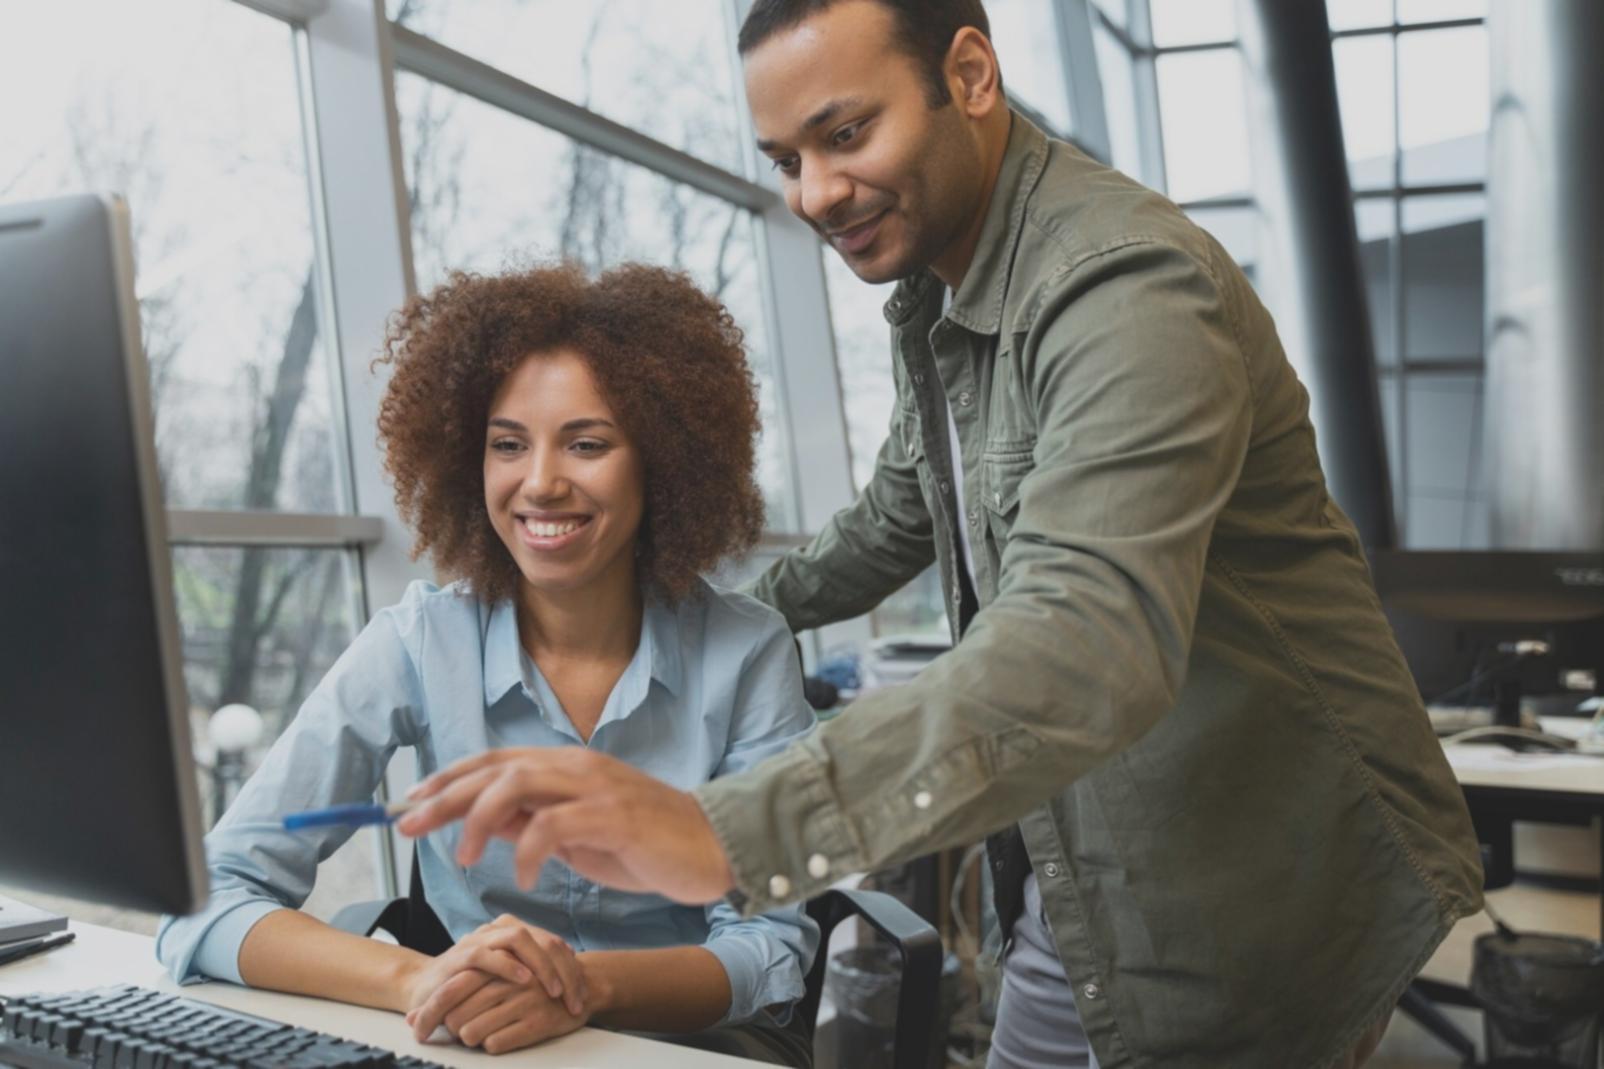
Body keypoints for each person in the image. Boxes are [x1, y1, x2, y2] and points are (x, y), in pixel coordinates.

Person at [397, 3, 1486, 1067]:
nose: (815, 193)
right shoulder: (938, 294)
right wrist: (674, 622)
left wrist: (722, 832)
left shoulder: (1123, 287)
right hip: (1091, 857)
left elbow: (1087, 639)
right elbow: (894, 517)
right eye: (784, 159)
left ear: (968, 76)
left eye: (845, 133)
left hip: (1249, 870)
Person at [157, 263, 818, 1066]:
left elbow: (768, 946)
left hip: (685, 1044)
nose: (539, 483)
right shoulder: (417, 641)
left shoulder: (748, 651)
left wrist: (582, 985)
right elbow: (209, 896)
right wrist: (422, 979)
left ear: (662, 461)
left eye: (587, 443)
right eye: (508, 444)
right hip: (476, 1039)